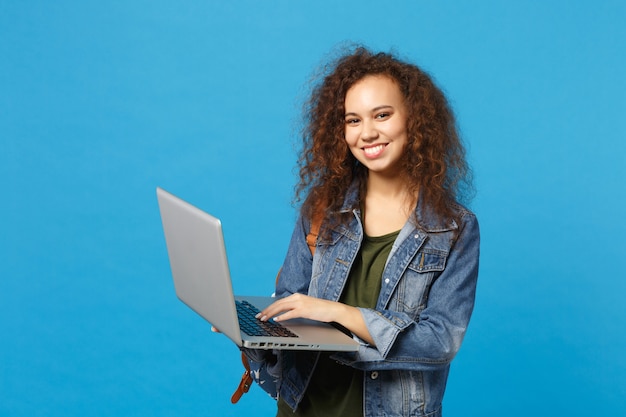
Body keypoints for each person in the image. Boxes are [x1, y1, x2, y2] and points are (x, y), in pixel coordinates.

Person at [243, 46, 480, 417]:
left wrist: (338, 313)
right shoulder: (322, 208)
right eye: (352, 120)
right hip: (303, 406)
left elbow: (439, 341)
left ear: (414, 119)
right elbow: (294, 301)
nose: (367, 133)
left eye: (382, 115)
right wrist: (251, 330)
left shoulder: (453, 227)